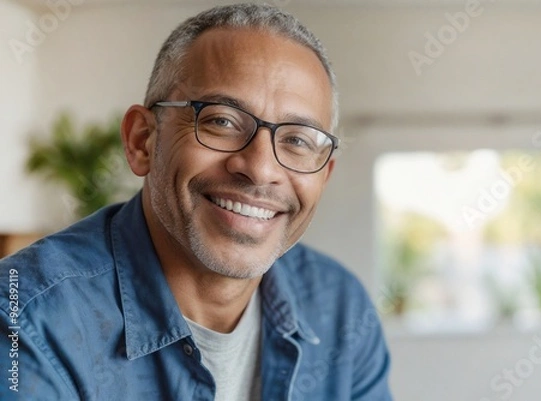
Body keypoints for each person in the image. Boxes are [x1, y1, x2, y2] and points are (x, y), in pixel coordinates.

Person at [0, 3, 392, 400]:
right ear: (142, 141)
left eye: (296, 140)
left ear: (323, 176)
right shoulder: (27, 320)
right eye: (221, 121)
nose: (259, 169)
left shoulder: (341, 307)